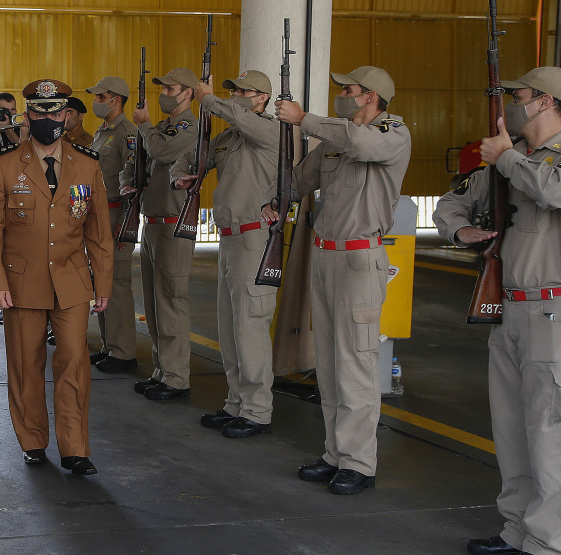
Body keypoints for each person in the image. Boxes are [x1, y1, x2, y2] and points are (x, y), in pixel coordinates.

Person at [433, 66, 561, 555]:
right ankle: (516, 529)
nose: (509, 103)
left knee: (548, 431)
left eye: (519, 95)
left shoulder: (530, 161)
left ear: (546, 102)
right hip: (506, 310)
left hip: (552, 313)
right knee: (510, 428)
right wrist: (457, 229)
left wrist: (506, 158)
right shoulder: (510, 160)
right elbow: (451, 202)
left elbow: (552, 191)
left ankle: (547, 542)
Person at [269, 66, 411, 494]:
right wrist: (273, 199)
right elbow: (299, 181)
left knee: (356, 365)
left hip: (359, 261)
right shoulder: (335, 140)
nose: (342, 96)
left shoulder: (391, 133)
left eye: (348, 90)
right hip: (324, 257)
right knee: (330, 364)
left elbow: (361, 144)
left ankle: (358, 462)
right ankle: (335, 453)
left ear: (370, 97)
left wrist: (305, 119)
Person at [0, 79, 113, 476]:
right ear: (28, 115)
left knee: (74, 362)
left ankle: (75, 448)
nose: (48, 119)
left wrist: (101, 285)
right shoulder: (3, 165)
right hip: (20, 284)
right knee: (25, 364)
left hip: (71, 282)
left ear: (66, 115)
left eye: (56, 112)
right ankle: (33, 440)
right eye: (40, 112)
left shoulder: (87, 164)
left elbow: (99, 233)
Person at [173, 71, 278, 438]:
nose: (237, 96)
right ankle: (237, 403)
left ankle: (257, 410)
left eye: (244, 92)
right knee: (231, 328)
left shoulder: (270, 130)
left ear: (263, 98)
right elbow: (191, 158)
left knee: (251, 327)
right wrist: (181, 177)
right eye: (233, 91)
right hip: (229, 239)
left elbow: (238, 117)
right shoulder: (229, 137)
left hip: (254, 238)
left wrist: (208, 98)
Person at [120, 67, 199, 400]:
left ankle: (177, 377)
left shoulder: (189, 128)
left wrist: (143, 125)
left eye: (171, 89)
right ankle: (162, 369)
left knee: (171, 302)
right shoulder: (162, 128)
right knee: (153, 304)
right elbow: (141, 160)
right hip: (153, 223)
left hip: (174, 224)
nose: (164, 94)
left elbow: (163, 153)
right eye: (163, 89)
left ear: (188, 94)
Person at [85, 76, 138, 373]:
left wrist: (128, 221)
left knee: (117, 282)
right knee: (102, 281)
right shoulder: (103, 131)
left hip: (118, 214)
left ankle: (123, 351)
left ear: (116, 99)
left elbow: (133, 182)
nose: (97, 102)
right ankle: (110, 345)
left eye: (101, 97)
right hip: (100, 215)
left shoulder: (127, 133)